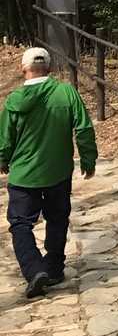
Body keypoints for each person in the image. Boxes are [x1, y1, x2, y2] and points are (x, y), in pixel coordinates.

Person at [0, 46, 97, 300]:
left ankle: (34, 269)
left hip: (24, 175)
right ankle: (53, 268)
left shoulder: (14, 100)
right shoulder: (66, 92)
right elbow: (84, 128)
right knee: (57, 218)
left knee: (20, 224)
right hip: (58, 171)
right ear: (50, 68)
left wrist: (3, 161)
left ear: (23, 69)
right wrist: (88, 159)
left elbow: (5, 139)